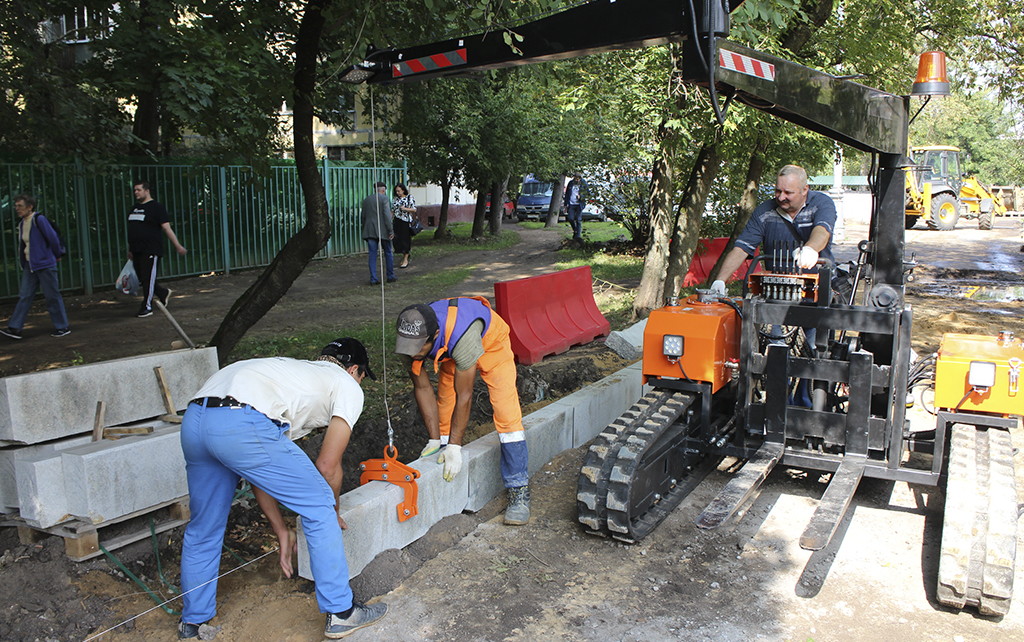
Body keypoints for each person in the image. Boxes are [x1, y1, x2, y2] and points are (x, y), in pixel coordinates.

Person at [178, 338, 388, 640]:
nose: (361, 383)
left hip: (196, 418)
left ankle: (193, 624)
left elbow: (259, 471)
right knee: (318, 506)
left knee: (203, 527)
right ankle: (342, 613)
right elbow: (328, 465)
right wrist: (332, 512)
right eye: (363, 377)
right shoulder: (348, 385)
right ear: (354, 370)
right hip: (242, 420)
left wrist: (280, 528)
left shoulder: (292, 376)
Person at [394, 298, 531, 525]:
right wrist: (435, 439)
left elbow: (465, 396)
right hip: (450, 348)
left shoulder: (463, 337)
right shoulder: (409, 340)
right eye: (408, 349)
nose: (412, 354)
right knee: (445, 403)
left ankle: (519, 490)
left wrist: (456, 447)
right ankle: (443, 450)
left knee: (506, 413)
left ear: (434, 335)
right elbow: (423, 386)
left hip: (490, 343)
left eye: (418, 349)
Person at [710, 164, 836, 294]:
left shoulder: (821, 204)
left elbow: (822, 230)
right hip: (777, 291)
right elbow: (742, 248)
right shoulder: (764, 212)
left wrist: (810, 248)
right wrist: (720, 280)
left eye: (788, 192)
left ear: (804, 190)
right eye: (778, 191)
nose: (781, 197)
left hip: (818, 289)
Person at [1, 194, 71, 339]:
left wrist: (56, 255)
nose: (16, 209)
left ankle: (62, 326)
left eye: (20, 206)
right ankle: (15, 328)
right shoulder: (22, 224)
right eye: (16, 206)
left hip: (45, 264)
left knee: (52, 295)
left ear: (30, 207)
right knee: (24, 296)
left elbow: (52, 238)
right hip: (30, 265)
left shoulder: (39, 220)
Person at [127, 181, 187, 318]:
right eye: (135, 190)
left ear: (147, 191)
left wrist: (177, 245)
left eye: (139, 190)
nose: (136, 192)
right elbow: (132, 230)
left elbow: (166, 228)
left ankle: (147, 306)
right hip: (136, 249)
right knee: (144, 278)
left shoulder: (156, 208)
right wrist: (130, 248)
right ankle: (162, 293)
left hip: (150, 249)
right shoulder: (134, 208)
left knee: (148, 278)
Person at [361, 181, 396, 285]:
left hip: (370, 231)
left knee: (372, 255)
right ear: (383, 190)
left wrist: (366, 227)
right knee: (388, 253)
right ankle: (390, 276)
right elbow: (387, 215)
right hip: (383, 231)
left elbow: (363, 216)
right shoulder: (384, 199)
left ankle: (373, 278)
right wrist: (390, 230)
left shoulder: (367, 199)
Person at [391, 183, 417, 269]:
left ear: (403, 190)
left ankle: (405, 258)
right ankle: (403, 253)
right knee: (397, 240)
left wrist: (405, 209)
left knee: (405, 240)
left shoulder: (409, 198)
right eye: (396, 191)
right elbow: (392, 210)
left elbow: (414, 209)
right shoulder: (395, 199)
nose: (397, 193)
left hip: (405, 221)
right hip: (397, 221)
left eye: (399, 191)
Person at [562, 174, 589, 240]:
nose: (576, 180)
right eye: (575, 179)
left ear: (580, 178)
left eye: (578, 179)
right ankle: (575, 230)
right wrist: (565, 204)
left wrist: (581, 196)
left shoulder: (584, 184)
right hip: (571, 203)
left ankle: (578, 236)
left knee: (578, 219)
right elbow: (567, 194)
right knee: (570, 218)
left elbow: (587, 193)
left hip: (579, 204)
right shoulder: (571, 183)